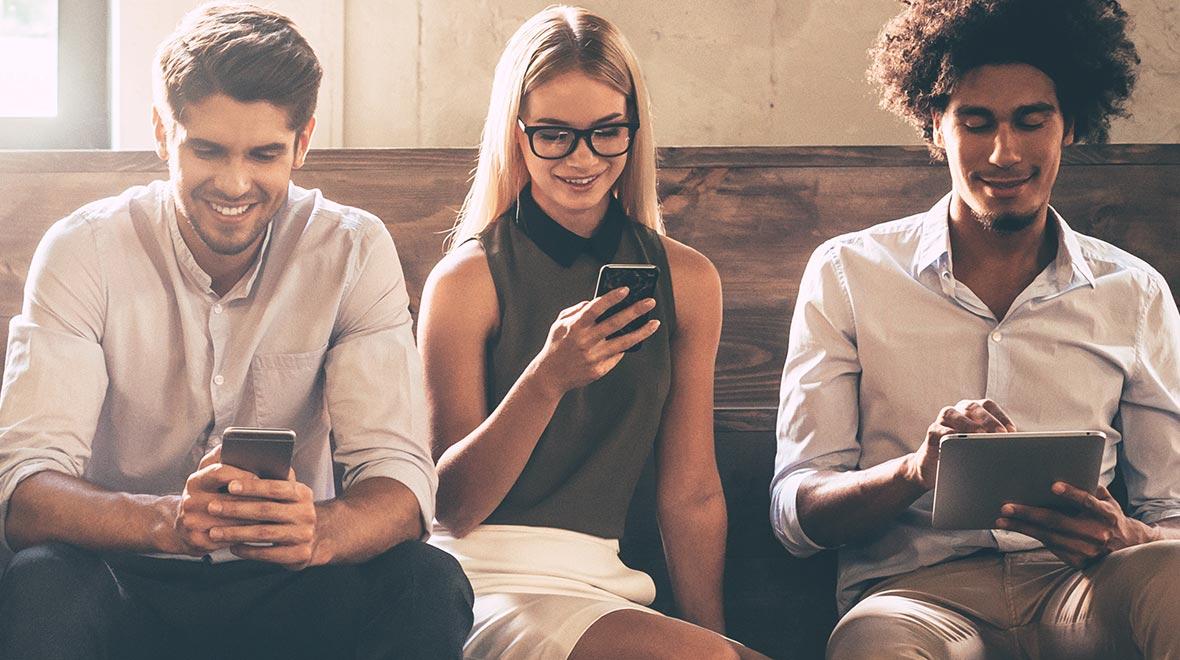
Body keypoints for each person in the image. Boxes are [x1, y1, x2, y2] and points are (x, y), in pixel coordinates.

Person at [0, 4, 472, 659]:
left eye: (264, 154)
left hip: (291, 580)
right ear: (163, 133)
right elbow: (27, 489)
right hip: (129, 572)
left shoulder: (353, 250)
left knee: (428, 582)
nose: (234, 183)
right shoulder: (84, 250)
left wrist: (321, 530)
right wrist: (169, 521)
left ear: (302, 143)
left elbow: (400, 481)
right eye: (208, 150)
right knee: (38, 582)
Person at [771, 0, 1180, 657]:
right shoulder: (848, 273)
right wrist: (915, 471)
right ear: (935, 126)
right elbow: (797, 515)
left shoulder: (1133, 291)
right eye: (976, 121)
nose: (1003, 152)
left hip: (1083, 588)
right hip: (915, 597)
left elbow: (1173, 514)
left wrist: (1132, 536)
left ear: (1070, 125)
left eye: (1031, 121)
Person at [418, 6, 765, 659]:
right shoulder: (466, 280)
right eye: (554, 134)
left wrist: (717, 638)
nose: (583, 158)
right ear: (517, 135)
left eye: (607, 132)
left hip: (607, 585)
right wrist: (547, 378)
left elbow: (691, 493)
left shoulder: (689, 280)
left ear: (634, 130)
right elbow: (452, 508)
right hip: (485, 584)